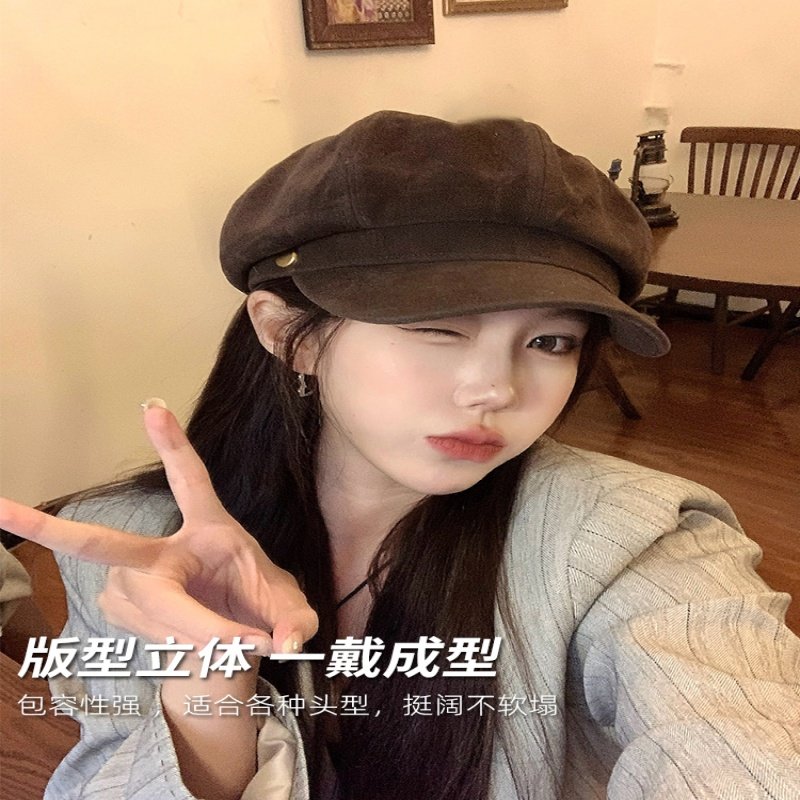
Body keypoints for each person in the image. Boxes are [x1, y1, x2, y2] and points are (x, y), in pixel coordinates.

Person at [1, 110, 798, 800]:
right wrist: (210, 687)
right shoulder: (136, 549)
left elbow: (735, 730)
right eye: (436, 328)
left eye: (550, 341)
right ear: (287, 334)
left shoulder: (635, 542)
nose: (494, 388)